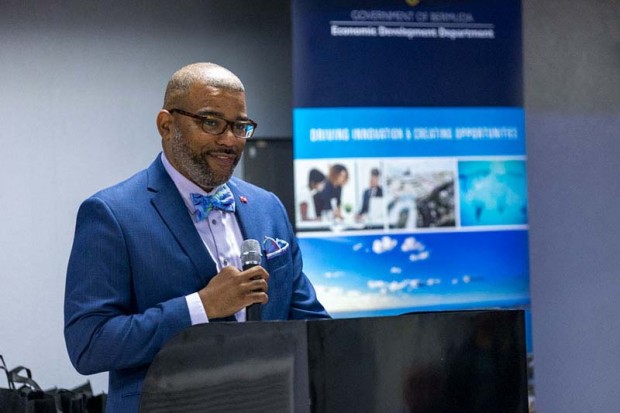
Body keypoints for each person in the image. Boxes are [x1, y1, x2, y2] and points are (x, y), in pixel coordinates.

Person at [64, 62, 330, 413]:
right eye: (211, 122)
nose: (230, 140)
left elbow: (312, 326)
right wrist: (202, 306)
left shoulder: (267, 207)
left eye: (239, 126)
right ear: (166, 125)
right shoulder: (111, 214)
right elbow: (89, 344)